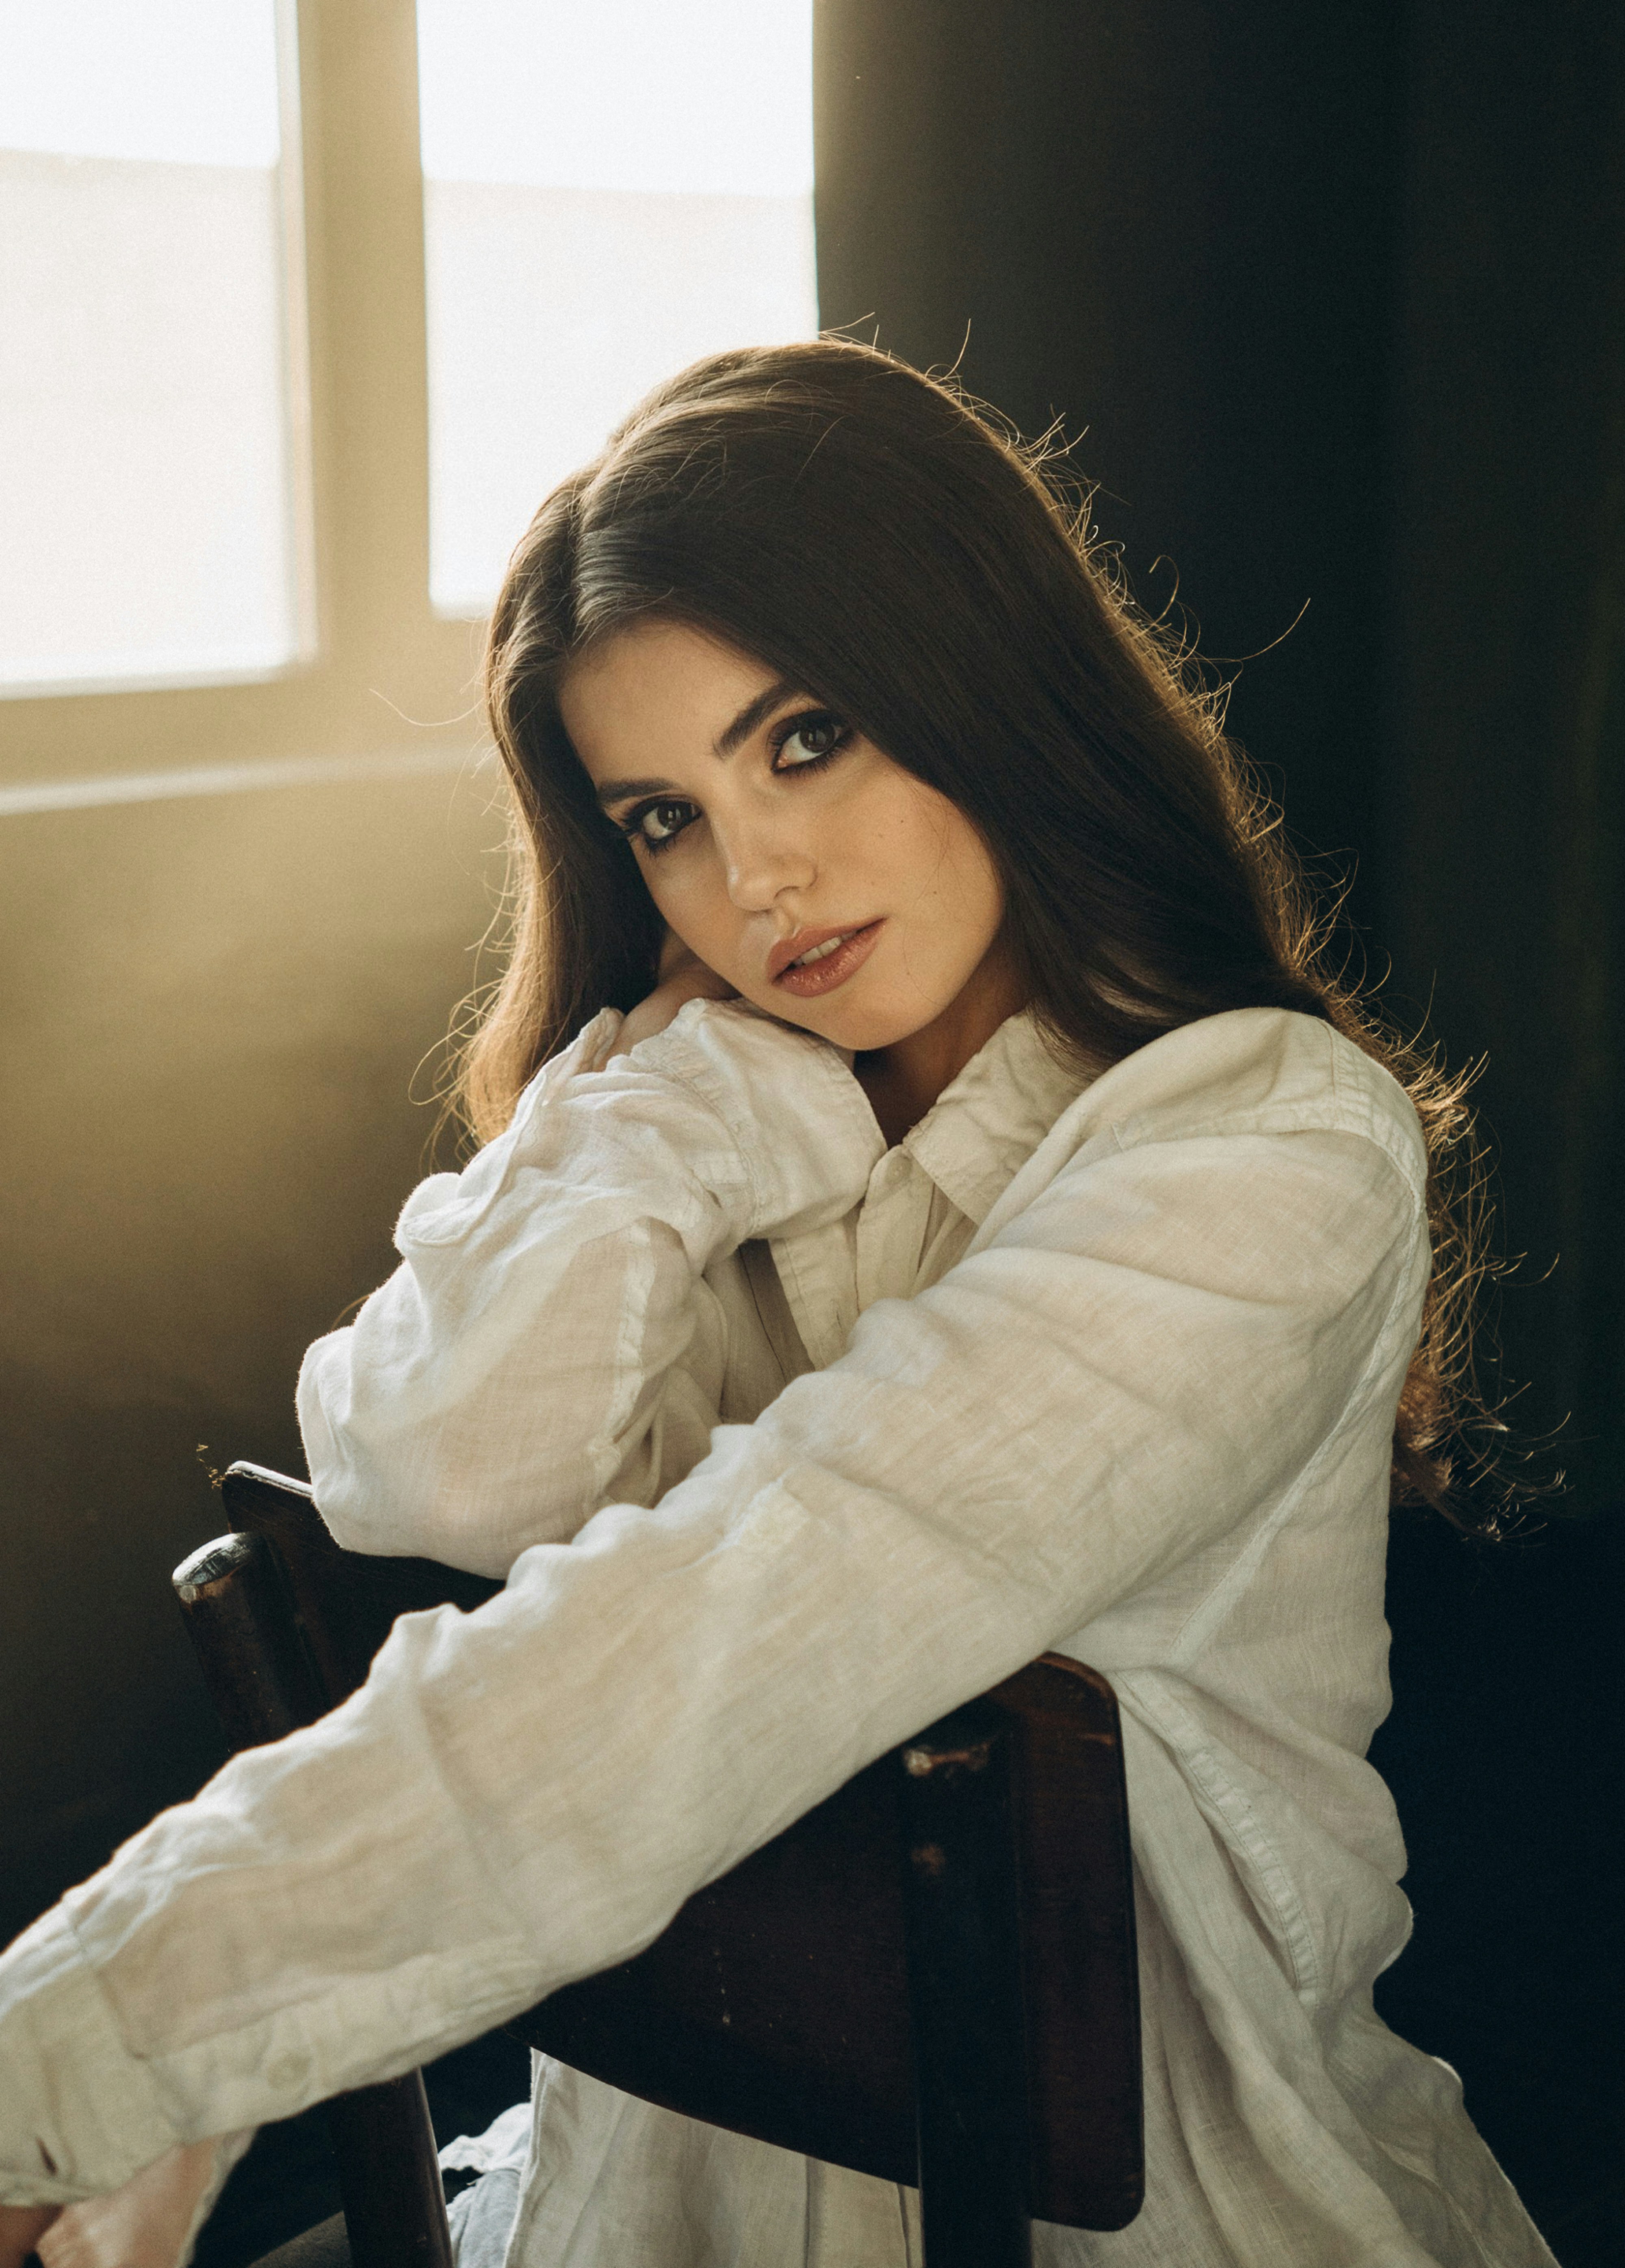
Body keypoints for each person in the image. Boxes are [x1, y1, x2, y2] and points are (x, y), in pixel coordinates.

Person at [0, 342, 1558, 2268]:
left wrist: (90, 2043)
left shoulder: (1264, 1153)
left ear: (984, 682)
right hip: (644, 2203)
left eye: (805, 737)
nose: (757, 878)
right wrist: (690, 1105)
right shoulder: (693, 1114)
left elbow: (739, 1609)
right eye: (661, 817)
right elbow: (436, 1472)